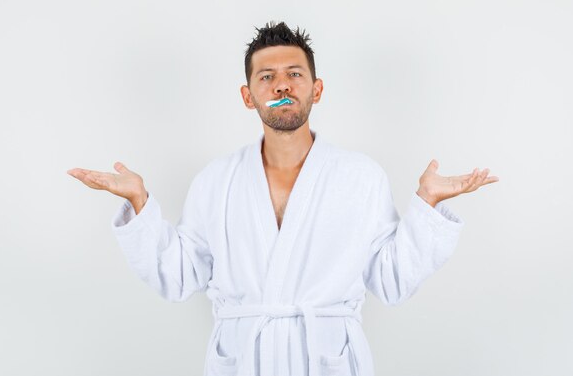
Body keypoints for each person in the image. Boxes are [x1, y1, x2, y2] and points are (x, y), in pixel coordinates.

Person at [67, 21, 499, 376]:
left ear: (317, 88)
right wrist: (140, 203)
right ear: (247, 94)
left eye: (295, 74)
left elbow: (390, 280)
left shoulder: (359, 176)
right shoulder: (215, 181)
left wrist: (427, 206)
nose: (282, 86)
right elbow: (178, 276)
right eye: (266, 76)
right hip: (241, 361)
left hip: (329, 360)